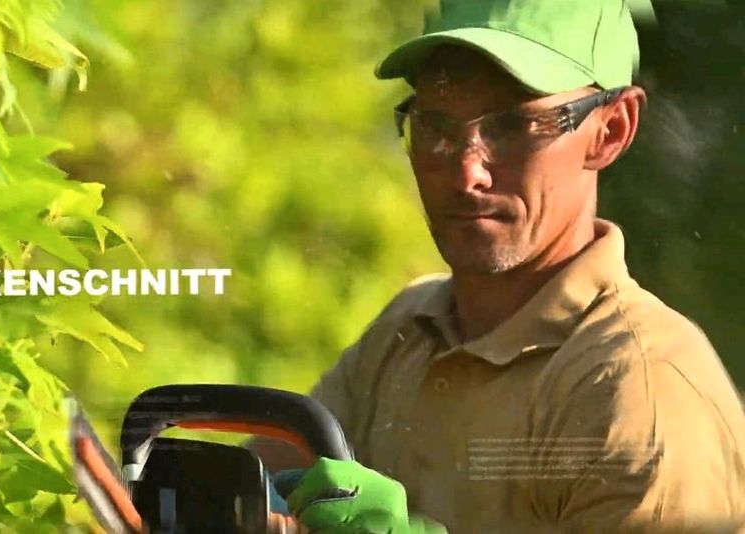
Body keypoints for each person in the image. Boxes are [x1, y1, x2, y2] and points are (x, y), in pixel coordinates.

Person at [250, 0, 745, 532]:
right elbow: (243, 489)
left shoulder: (641, 392)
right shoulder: (411, 327)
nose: (467, 173)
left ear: (611, 130)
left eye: (514, 126)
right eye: (435, 127)